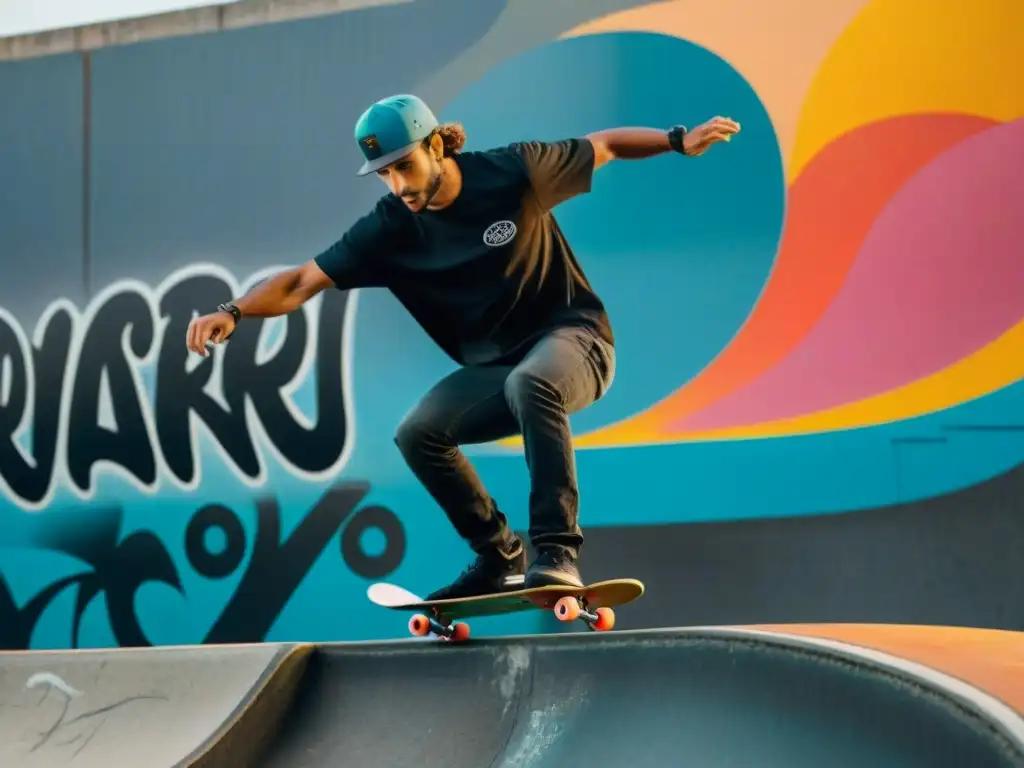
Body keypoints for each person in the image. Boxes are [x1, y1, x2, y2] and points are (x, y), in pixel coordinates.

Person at [185, 94, 740, 600]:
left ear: (435, 146)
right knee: (419, 433)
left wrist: (677, 140)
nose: (399, 186)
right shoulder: (389, 230)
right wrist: (233, 311)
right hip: (498, 370)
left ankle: (558, 552)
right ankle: (498, 555)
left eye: (405, 166)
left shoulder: (513, 172)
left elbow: (607, 145)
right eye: (384, 174)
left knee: (533, 380)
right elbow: (301, 281)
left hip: (578, 343)